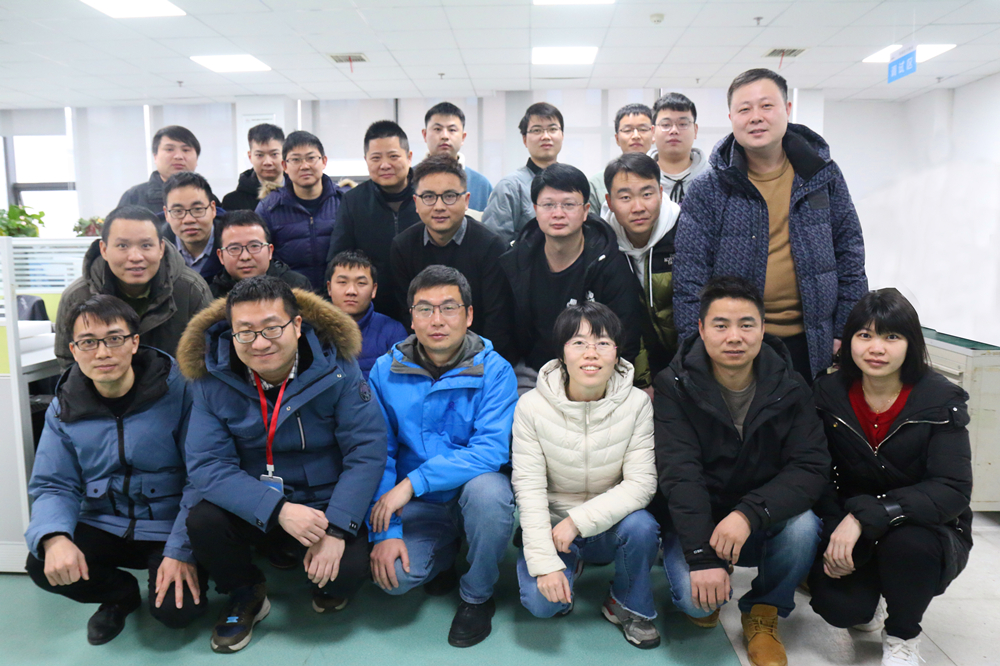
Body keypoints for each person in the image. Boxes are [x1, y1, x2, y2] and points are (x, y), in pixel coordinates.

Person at [178, 276, 387, 653]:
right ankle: (246, 591)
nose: (259, 343)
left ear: (297, 324)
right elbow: (207, 465)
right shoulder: (211, 380)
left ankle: (316, 565)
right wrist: (279, 509)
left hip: (325, 504)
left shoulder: (339, 369)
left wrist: (338, 528)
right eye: (245, 332)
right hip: (255, 503)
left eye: (272, 327)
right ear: (232, 333)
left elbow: (366, 450)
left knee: (343, 577)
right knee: (203, 521)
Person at [654, 275, 829, 666]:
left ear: (763, 329)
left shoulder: (791, 386)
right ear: (701, 329)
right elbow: (680, 473)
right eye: (721, 325)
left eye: (746, 325)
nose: (734, 337)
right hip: (700, 519)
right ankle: (710, 578)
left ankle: (764, 610)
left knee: (804, 527)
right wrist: (702, 558)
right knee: (698, 606)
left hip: (760, 517)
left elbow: (810, 466)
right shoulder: (674, 385)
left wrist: (748, 513)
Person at [25, 295, 206, 645]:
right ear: (74, 350)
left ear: (134, 343)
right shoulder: (64, 407)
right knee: (42, 562)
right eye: (88, 342)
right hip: (104, 522)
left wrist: (180, 549)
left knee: (176, 614)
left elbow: (201, 476)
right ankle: (119, 595)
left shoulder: (180, 391)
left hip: (169, 525)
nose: (102, 353)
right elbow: (53, 484)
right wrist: (54, 537)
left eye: (114, 339)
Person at [809, 289, 972, 666]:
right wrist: (835, 528)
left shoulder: (939, 399)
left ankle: (903, 634)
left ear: (911, 343)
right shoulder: (828, 394)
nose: (876, 348)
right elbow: (816, 471)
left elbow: (951, 489)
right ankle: (873, 597)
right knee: (840, 608)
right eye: (865, 335)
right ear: (849, 340)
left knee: (909, 547)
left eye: (891, 336)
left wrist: (863, 516)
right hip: (854, 521)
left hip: (924, 526)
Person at [674, 68, 868, 382]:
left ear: (787, 109)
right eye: (744, 109)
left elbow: (850, 255)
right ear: (731, 117)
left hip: (812, 342)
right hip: (737, 344)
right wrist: (695, 348)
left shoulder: (822, 175)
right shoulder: (708, 189)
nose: (756, 117)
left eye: (766, 106)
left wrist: (846, 329)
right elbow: (689, 277)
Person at [368, 265, 517, 648]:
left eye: (449, 308)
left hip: (468, 492)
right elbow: (378, 453)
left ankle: (477, 596)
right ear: (411, 318)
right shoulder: (385, 371)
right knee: (394, 579)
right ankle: (445, 552)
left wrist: (413, 483)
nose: (437, 320)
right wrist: (386, 532)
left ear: (469, 315)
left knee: (491, 495)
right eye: (424, 309)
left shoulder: (495, 371)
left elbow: (490, 451)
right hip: (420, 506)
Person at [512, 302, 660, 649]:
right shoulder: (531, 407)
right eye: (578, 343)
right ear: (562, 353)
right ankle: (568, 565)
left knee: (643, 526)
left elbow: (641, 484)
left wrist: (577, 521)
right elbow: (529, 490)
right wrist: (545, 564)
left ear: (617, 353)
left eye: (603, 343)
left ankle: (626, 603)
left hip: (608, 526)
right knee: (542, 605)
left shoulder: (637, 404)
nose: (591, 353)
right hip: (553, 528)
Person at [498, 163, 642, 391]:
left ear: (585, 210)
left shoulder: (609, 264)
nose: (558, 213)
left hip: (596, 374)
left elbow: (625, 338)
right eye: (548, 205)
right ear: (535, 210)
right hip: (532, 374)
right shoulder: (516, 261)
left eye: (569, 204)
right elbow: (504, 336)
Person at [390, 155, 515, 363]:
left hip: (480, 358)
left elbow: (498, 321)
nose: (439, 206)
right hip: (424, 358)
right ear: (416, 203)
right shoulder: (402, 247)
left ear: (466, 200)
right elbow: (407, 315)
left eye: (449, 196)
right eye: (428, 197)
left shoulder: (492, 246)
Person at [54, 205, 213, 369]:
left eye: (146, 245)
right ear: (104, 249)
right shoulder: (77, 296)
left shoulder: (190, 290)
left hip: (174, 383)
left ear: (161, 248)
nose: (136, 257)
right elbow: (67, 361)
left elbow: (208, 357)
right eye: (122, 246)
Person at [327, 120, 420, 321]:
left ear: (409, 157)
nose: (385, 165)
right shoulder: (353, 201)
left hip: (424, 307)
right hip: (371, 313)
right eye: (376, 158)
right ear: (366, 160)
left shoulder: (427, 197)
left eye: (393, 156)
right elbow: (338, 259)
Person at [602, 152, 681, 389]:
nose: (638, 207)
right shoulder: (603, 246)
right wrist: (641, 382)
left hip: (687, 359)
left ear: (661, 192)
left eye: (647, 194)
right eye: (625, 197)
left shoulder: (685, 232)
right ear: (609, 202)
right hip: (633, 366)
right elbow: (621, 320)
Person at [256, 130, 344, 292]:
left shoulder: (344, 201)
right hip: (290, 296)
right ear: (285, 166)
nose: (305, 166)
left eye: (311, 158)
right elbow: (261, 259)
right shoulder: (269, 208)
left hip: (339, 296)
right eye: (296, 160)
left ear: (324, 161)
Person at [482, 102, 564, 244]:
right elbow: (495, 244)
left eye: (552, 129)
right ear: (524, 139)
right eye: (537, 130)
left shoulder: (573, 183)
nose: (546, 136)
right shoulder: (509, 187)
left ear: (562, 135)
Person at [326, 250, 407, 380]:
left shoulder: (393, 331)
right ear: (329, 288)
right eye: (342, 282)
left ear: (374, 289)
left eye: (361, 283)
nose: (351, 291)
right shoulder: (313, 330)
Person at [210, 210, 312, 298]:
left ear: (270, 251)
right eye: (235, 248)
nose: (245, 257)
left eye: (254, 246)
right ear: (221, 256)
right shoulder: (212, 296)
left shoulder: (296, 287)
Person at [422, 102, 493, 211]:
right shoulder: (409, 181)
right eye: (437, 129)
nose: (445, 136)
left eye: (452, 130)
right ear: (424, 135)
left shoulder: (481, 185)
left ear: (463, 137)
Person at [118, 125, 203, 214]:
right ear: (155, 157)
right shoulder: (134, 197)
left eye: (186, 150)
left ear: (197, 159)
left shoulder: (207, 197)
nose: (178, 156)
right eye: (169, 149)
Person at [587, 103, 654, 212]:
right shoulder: (597, 184)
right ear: (617, 138)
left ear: (653, 134)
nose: (636, 136)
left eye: (643, 129)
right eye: (627, 130)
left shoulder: (665, 178)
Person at [162, 171, 224, 282]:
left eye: (198, 209)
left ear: (213, 209)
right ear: (166, 214)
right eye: (178, 211)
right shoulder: (156, 248)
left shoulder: (235, 246)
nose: (188, 220)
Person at [648, 93, 709, 204]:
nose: (674, 131)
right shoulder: (637, 177)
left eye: (683, 124)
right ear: (653, 132)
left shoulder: (713, 178)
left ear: (695, 130)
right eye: (666, 125)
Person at [222, 123, 285, 212]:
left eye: (274, 154)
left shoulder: (300, 192)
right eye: (260, 155)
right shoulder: (233, 202)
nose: (267, 162)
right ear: (250, 157)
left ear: (285, 154)